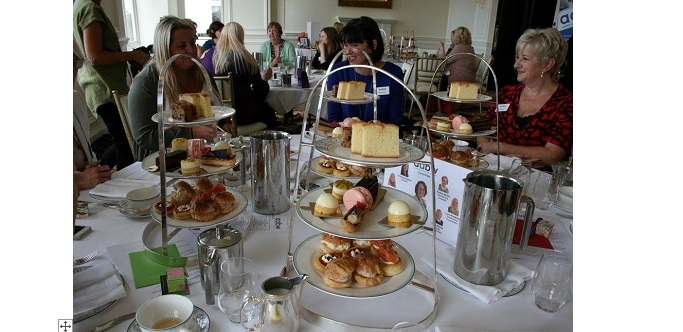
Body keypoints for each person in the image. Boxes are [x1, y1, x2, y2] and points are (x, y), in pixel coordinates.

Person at [477, 28, 572, 169]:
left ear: (548, 64)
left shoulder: (566, 103)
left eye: (525, 58)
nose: (516, 64)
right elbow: (482, 128)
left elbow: (552, 154)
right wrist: (495, 155)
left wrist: (500, 148)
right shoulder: (506, 94)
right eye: (517, 57)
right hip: (495, 168)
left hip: (537, 180)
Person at [73, 0, 150, 170]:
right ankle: (122, 189)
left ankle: (98, 172)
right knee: (127, 145)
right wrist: (134, 55)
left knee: (122, 139)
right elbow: (95, 57)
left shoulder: (80, 5)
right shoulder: (89, 8)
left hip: (100, 85)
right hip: (105, 87)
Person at [128, 16, 217, 161]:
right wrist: (189, 133)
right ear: (165, 49)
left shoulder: (202, 73)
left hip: (209, 155)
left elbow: (218, 110)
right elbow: (144, 138)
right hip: (164, 163)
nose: (191, 50)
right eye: (182, 46)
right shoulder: (146, 82)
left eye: (193, 43)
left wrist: (225, 124)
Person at [326, 16, 404, 126]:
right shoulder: (338, 71)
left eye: (354, 45)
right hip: (345, 139)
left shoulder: (393, 73)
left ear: (373, 45)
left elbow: (395, 121)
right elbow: (333, 121)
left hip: (380, 138)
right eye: (346, 45)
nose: (347, 51)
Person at [201, 21, 276, 129]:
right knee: (270, 113)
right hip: (242, 115)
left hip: (214, 114)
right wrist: (264, 79)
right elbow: (260, 93)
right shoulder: (246, 59)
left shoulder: (207, 55)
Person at [74, 49, 112, 190]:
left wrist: (94, 169)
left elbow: (89, 157)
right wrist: (79, 181)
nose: (72, 71)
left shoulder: (75, 100)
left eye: (74, 63)